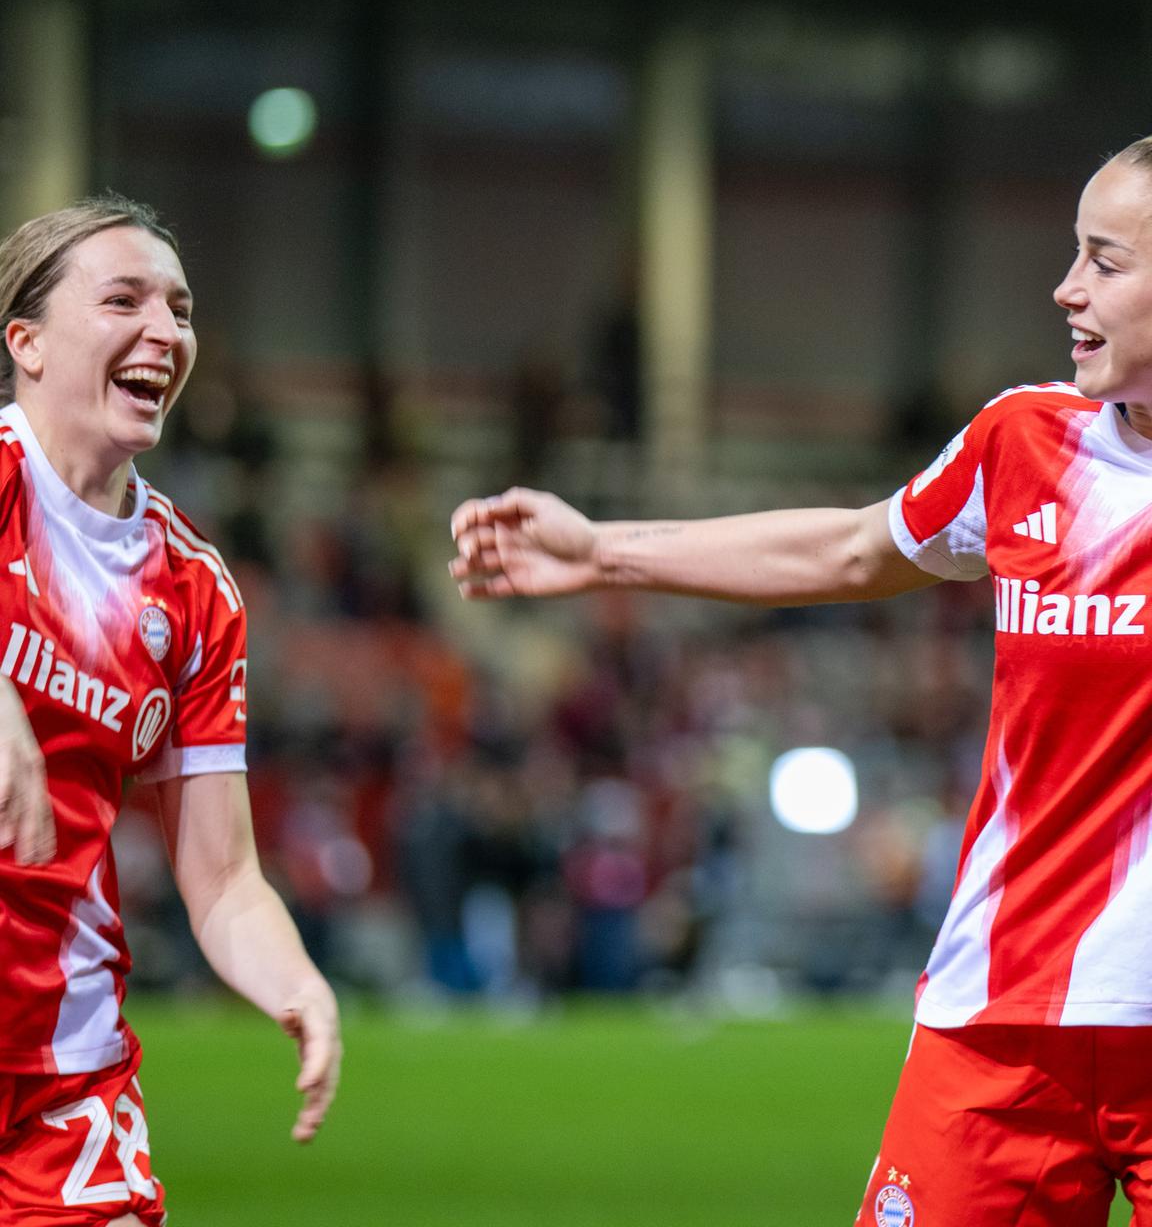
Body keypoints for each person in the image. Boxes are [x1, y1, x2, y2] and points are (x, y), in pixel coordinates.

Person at [451, 135, 1152, 1226]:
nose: (1066, 289)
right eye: (1074, 255)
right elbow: (844, 552)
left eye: (1105, 263)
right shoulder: (1025, 442)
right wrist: (601, 553)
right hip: (998, 1021)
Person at [0, 195, 341, 1227]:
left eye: (182, 310)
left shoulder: (192, 590)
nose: (166, 331)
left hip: (61, 1074)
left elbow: (224, 875)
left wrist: (297, 982)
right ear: (28, 342)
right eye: (124, 300)